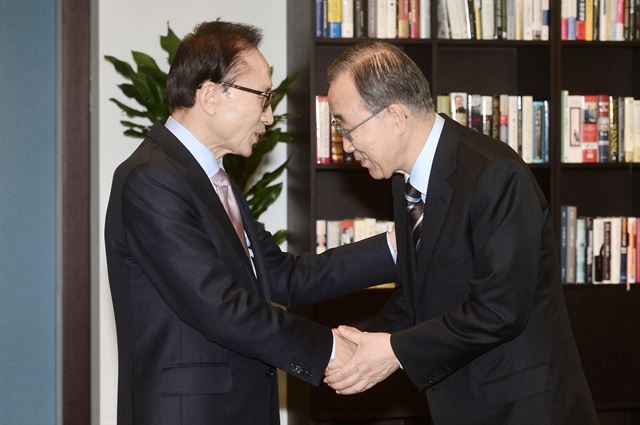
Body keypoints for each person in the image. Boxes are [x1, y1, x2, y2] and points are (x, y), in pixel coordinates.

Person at [104, 22, 397, 425]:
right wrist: (329, 347)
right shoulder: (152, 179)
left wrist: (396, 249)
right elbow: (218, 306)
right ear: (210, 95)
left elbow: (283, 277)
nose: (270, 116)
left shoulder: (214, 180)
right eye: (263, 98)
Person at [323, 41, 598, 425]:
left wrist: (394, 351)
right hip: (463, 403)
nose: (345, 144)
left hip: (521, 409)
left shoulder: (495, 174)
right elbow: (416, 298)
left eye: (347, 127)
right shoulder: (406, 181)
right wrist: (359, 344)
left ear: (395, 117)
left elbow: (499, 311)